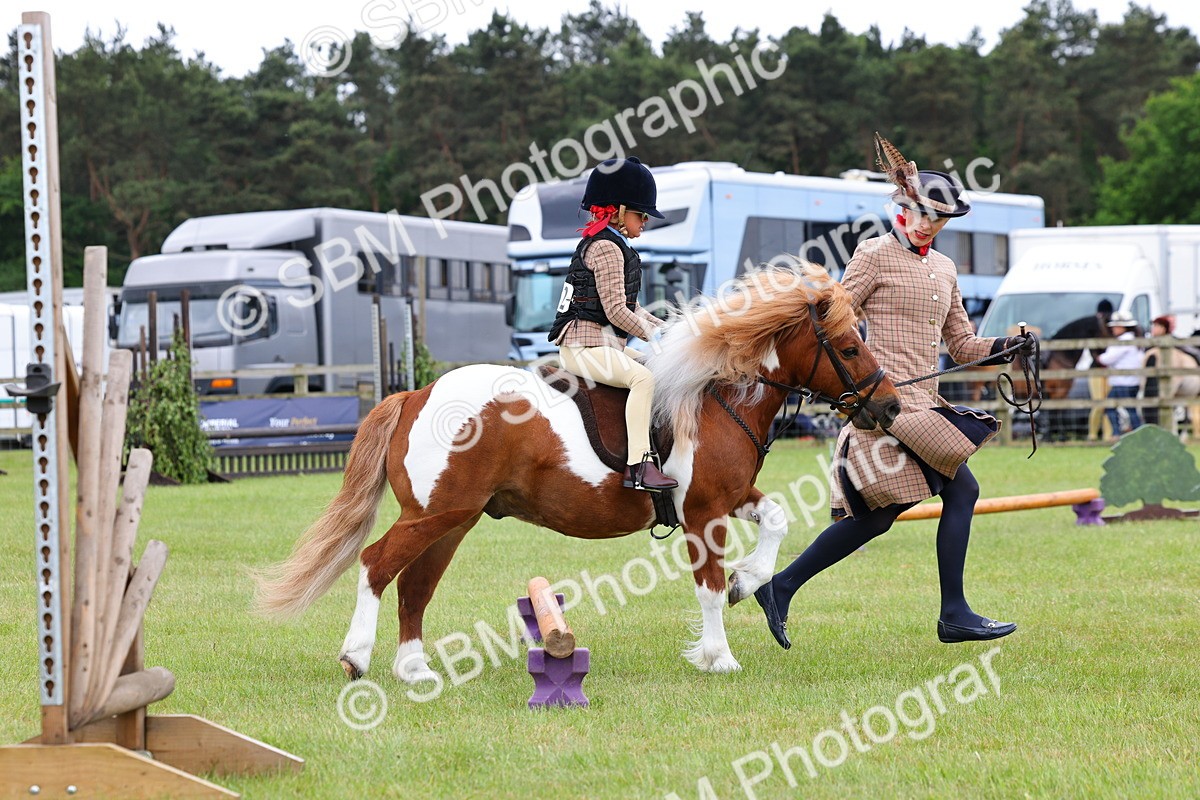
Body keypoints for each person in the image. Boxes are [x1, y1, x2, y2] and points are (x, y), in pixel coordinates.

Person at [753, 133, 1035, 649]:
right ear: (902, 207)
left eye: (939, 217)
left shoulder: (946, 268)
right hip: (885, 405)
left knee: (878, 517)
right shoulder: (873, 255)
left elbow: (963, 344)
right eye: (921, 212)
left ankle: (781, 586)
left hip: (926, 402)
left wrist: (1008, 344)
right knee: (963, 489)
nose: (928, 223)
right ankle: (954, 614)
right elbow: (834, 322)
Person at [547, 156, 677, 492]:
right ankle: (638, 466)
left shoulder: (613, 244)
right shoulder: (606, 247)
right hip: (583, 345)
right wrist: (652, 333)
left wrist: (666, 326)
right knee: (642, 378)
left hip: (599, 344)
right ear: (618, 211)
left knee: (654, 368)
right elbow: (617, 312)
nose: (646, 220)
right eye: (640, 214)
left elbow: (631, 305)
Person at [1096, 310, 1144, 436]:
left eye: (1116, 326)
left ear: (1124, 327)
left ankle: (1119, 433)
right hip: (1131, 381)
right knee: (1129, 409)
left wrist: (1098, 357)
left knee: (1111, 407)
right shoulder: (1136, 339)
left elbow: (1107, 358)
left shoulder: (1122, 341)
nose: (1113, 329)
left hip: (1122, 382)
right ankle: (1137, 433)